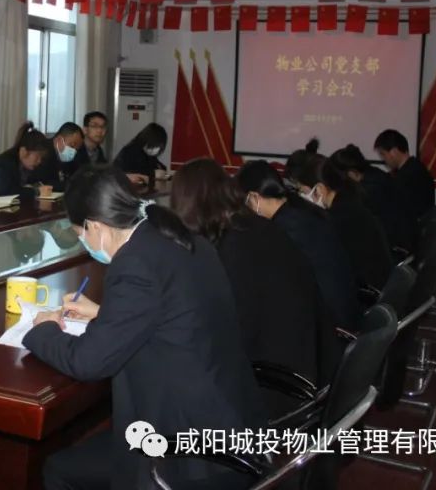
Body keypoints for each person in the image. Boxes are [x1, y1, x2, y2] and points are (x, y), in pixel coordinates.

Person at [24, 166, 260, 490]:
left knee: (58, 470)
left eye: (80, 234)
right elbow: (173, 313)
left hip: (189, 450)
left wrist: (43, 329)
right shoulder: (176, 237)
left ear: (95, 226)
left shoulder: (135, 264)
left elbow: (88, 361)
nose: (83, 242)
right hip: (228, 418)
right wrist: (104, 313)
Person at [169, 158, 339, 390]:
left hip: (279, 382)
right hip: (309, 361)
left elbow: (232, 335)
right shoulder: (255, 227)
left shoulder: (234, 247)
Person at [237, 160, 361, 330]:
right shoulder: (299, 213)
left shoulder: (284, 229)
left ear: (253, 197)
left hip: (331, 327)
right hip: (343, 315)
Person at [290, 154, 396, 292]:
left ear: (320, 189)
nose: (302, 197)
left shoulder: (339, 217)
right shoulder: (348, 202)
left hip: (368, 292)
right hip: (379, 285)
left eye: (303, 191)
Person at [331, 143, 411, 252]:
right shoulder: (373, 175)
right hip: (398, 242)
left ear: (351, 174)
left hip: (395, 248)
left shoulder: (369, 191)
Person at [374, 129, 436, 227]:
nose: (384, 159)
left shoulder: (406, 178)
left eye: (383, 154)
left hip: (410, 229)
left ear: (394, 152)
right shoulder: (415, 167)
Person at [0, 122, 51, 197]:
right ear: (24, 151)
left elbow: (36, 182)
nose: (39, 161)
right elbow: (8, 192)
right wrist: (36, 191)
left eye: (41, 158)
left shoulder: (28, 167)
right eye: (37, 156)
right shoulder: (4, 162)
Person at [32, 121, 85, 190]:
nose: (74, 152)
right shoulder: (42, 152)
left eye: (77, 149)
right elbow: (43, 182)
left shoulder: (71, 157)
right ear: (59, 140)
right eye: (72, 146)